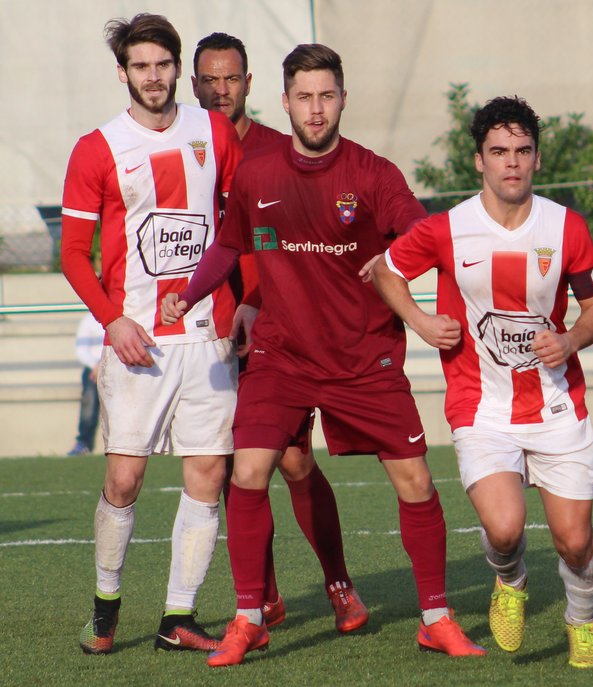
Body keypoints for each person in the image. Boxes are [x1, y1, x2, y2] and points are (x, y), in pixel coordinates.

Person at [162, 43, 485, 666]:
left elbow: (422, 235)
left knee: (416, 480)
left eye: (327, 96)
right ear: (284, 102)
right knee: (248, 472)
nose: (316, 109)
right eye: (305, 97)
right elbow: (228, 247)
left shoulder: (373, 174)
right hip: (282, 356)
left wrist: (394, 265)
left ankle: (436, 618)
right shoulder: (257, 174)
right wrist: (189, 293)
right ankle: (249, 618)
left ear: (343, 100)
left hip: (364, 356)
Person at [373, 96, 593, 669]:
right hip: (480, 407)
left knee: (575, 542)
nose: (512, 162)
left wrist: (570, 341)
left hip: (556, 405)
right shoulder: (447, 228)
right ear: (479, 160)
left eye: (523, 151)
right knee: (504, 530)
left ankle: (582, 620)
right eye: (499, 152)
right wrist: (421, 321)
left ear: (537, 158)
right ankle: (510, 580)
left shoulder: (566, 226)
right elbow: (386, 269)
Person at [60, 13, 241, 654]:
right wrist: (112, 321)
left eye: (163, 64)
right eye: (141, 66)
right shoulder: (96, 147)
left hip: (208, 336)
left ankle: (177, 617)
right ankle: (105, 610)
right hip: (137, 341)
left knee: (207, 474)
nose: (154, 76)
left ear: (177, 68)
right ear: (123, 73)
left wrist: (246, 304)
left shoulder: (214, 131)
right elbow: (73, 253)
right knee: (124, 481)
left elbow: (241, 226)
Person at [192, 31, 364, 635]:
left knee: (292, 460)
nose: (221, 90)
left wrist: (256, 299)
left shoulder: (275, 149)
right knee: (227, 463)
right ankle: (261, 596)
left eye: (231, 79)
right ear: (193, 85)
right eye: (210, 80)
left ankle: (339, 582)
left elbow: (293, 242)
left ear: (250, 84)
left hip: (275, 328)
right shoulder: (183, 147)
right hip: (204, 330)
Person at [68, 312, 105, 456]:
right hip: (94, 370)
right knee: (89, 398)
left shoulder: (125, 314)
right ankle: (84, 443)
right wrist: (97, 365)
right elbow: (81, 351)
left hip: (120, 366)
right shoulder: (89, 319)